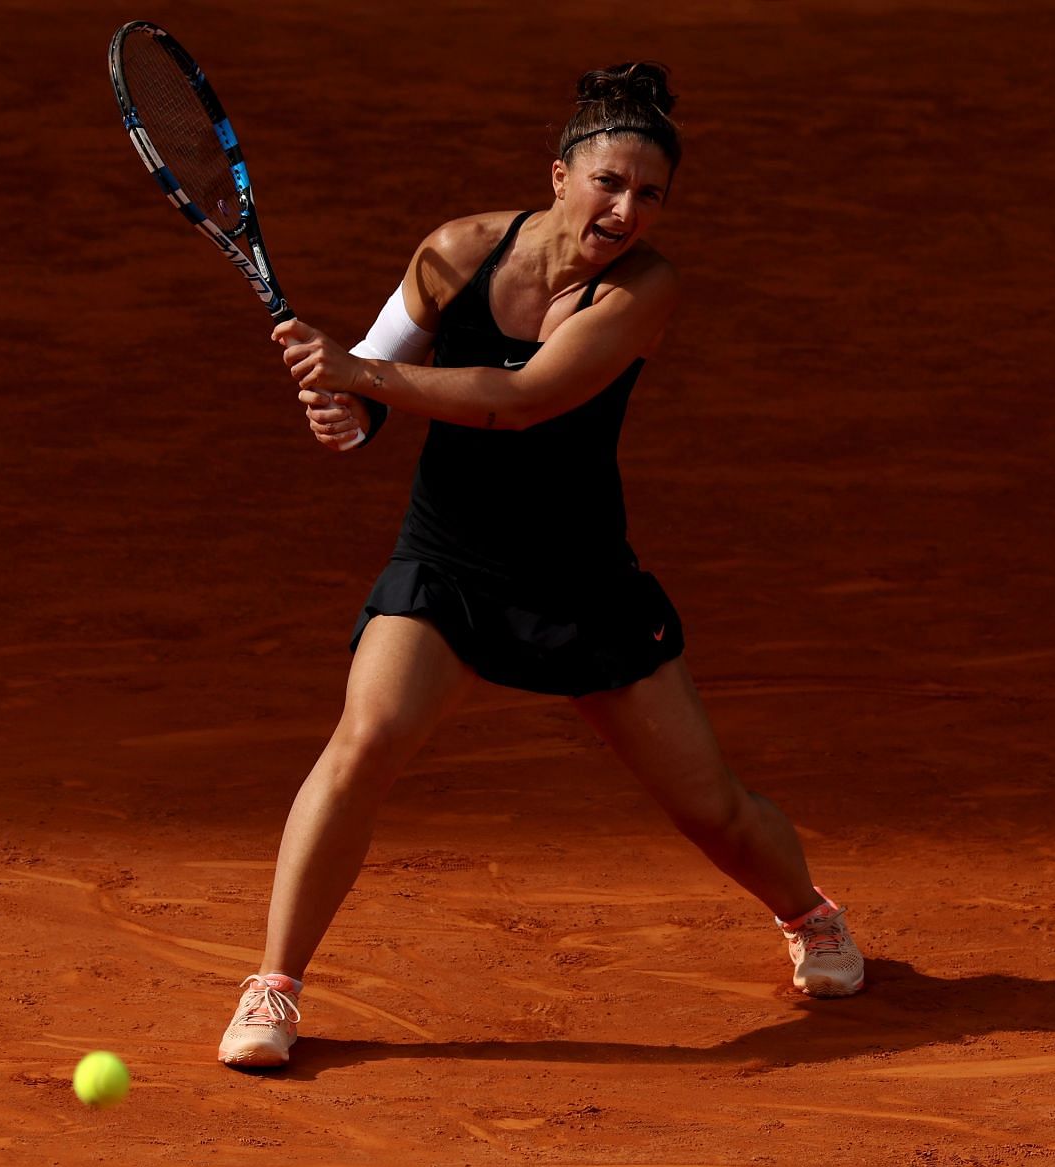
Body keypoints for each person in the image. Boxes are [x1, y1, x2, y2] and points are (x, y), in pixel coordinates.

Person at [217, 62, 864, 1070]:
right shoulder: (455, 251)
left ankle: (809, 912)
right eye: (609, 181)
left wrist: (360, 374)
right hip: (449, 559)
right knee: (364, 739)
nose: (626, 208)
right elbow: (379, 395)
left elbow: (515, 400)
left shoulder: (644, 290)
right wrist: (346, 413)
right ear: (558, 174)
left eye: (650, 194)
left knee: (711, 808)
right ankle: (274, 984)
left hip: (581, 578)